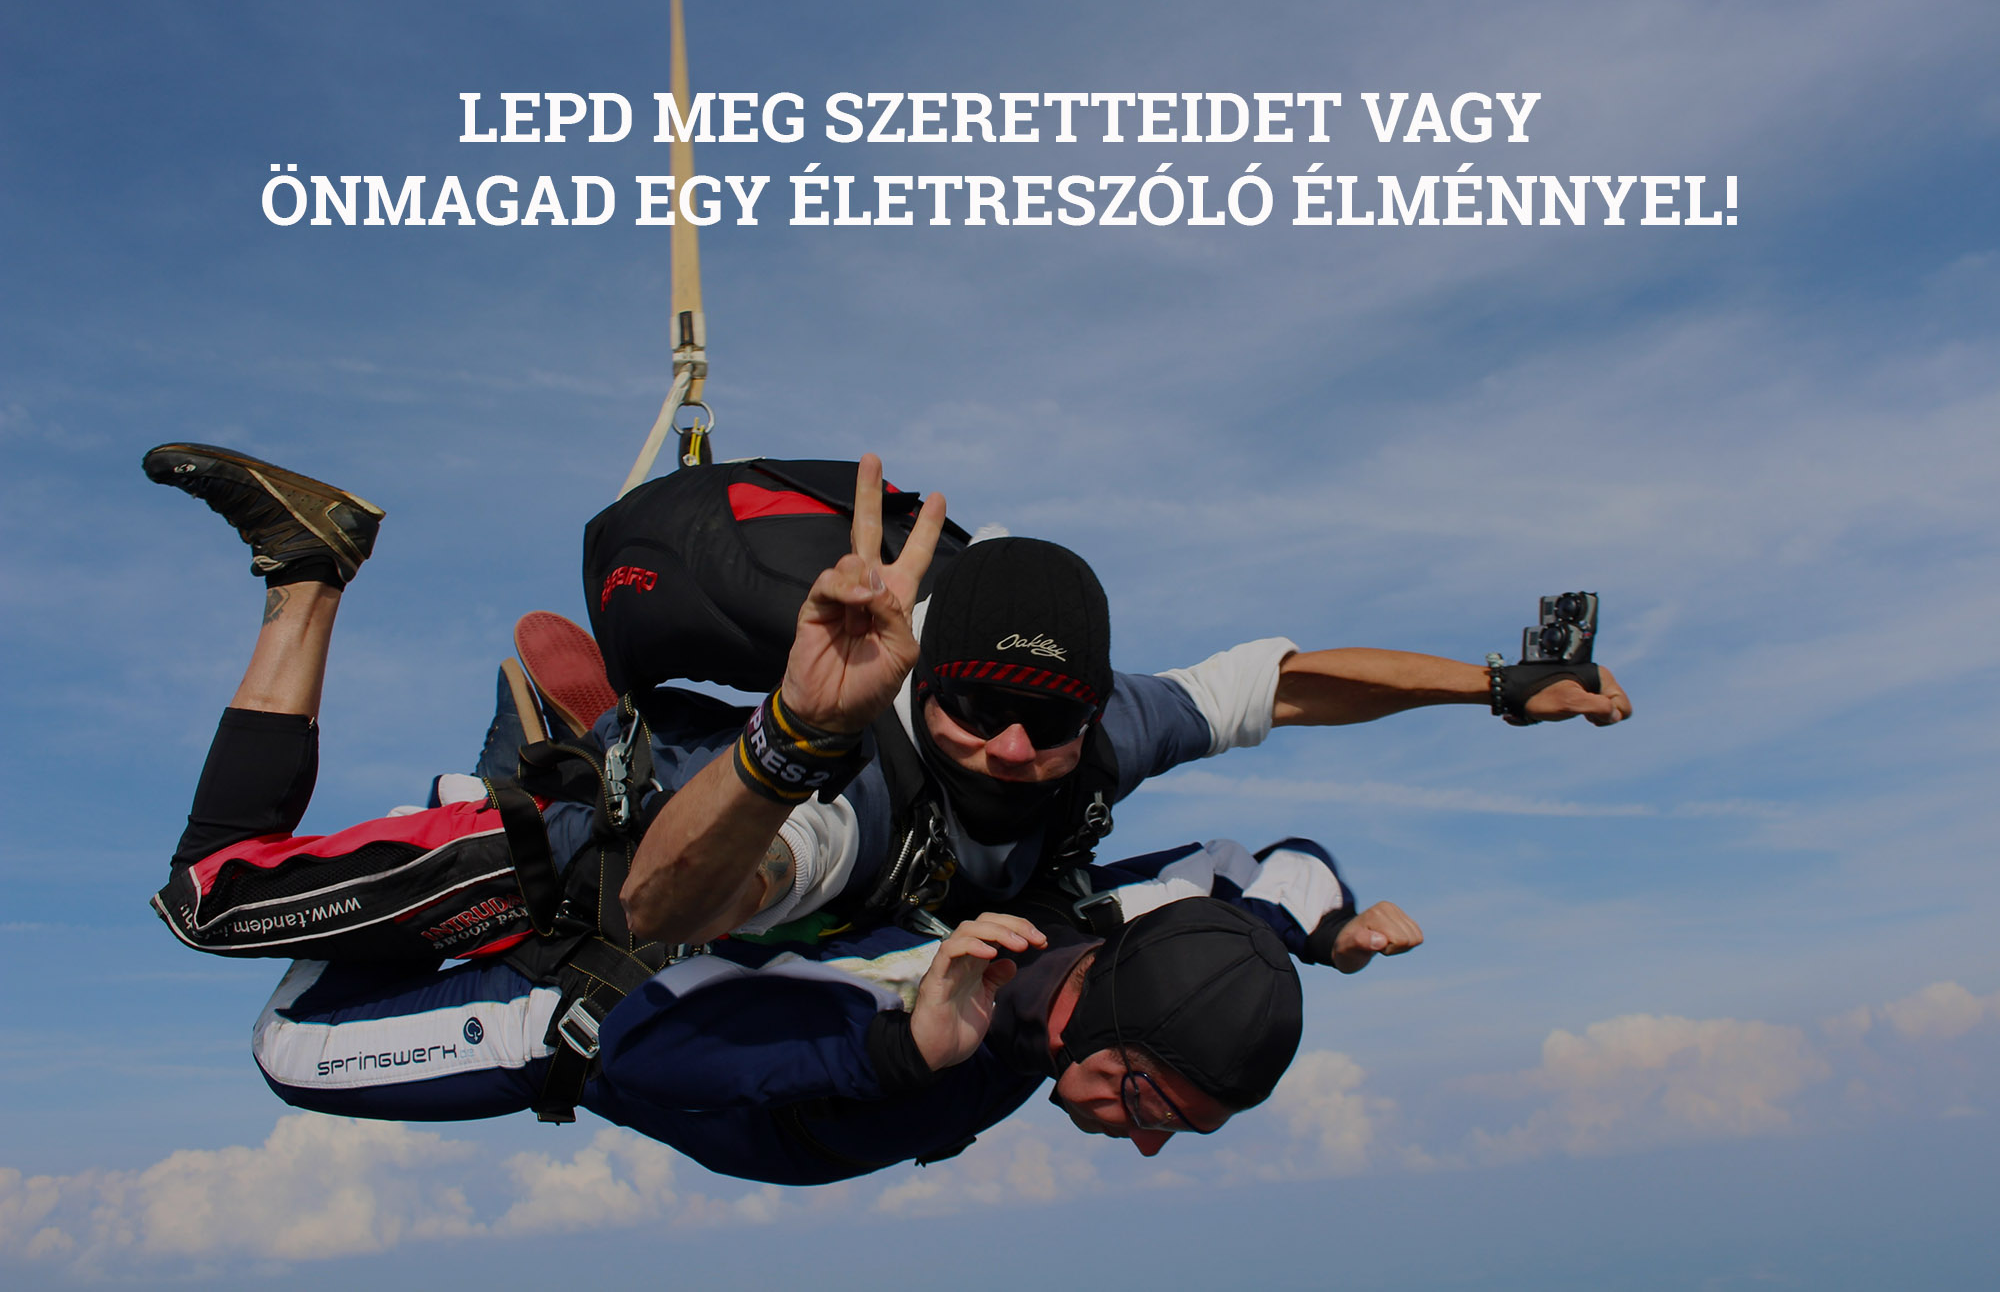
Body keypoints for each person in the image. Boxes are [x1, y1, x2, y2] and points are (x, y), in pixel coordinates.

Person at [142, 443, 1425, 1183]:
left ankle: (572, 744)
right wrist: (896, 1055)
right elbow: (677, 984)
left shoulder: (1114, 898)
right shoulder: (940, 981)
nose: (1141, 1142)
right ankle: (316, 577)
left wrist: (1334, 925)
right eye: (1147, 1102)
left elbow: (1268, 868)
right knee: (228, 930)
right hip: (576, 902)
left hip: (671, 916)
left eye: (1169, 1123)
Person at [607, 455, 1631, 947]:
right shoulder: (859, 782)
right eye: (977, 710)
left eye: (1051, 721)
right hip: (778, 812)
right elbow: (667, 913)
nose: (1014, 746)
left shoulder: (1114, 724)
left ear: (1091, 707)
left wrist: (1495, 688)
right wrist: (795, 736)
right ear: (927, 683)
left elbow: (1287, 687)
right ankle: (612, 749)